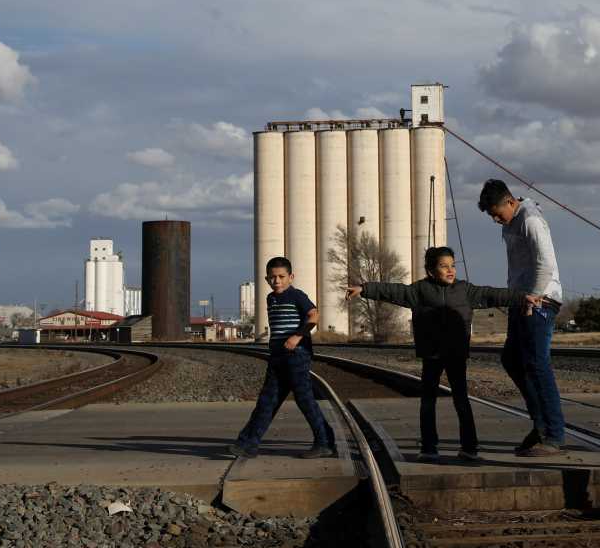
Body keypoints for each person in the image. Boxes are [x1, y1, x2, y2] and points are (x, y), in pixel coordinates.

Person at [348, 246, 536, 461]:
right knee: (428, 402)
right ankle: (429, 449)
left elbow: (493, 294)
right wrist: (364, 288)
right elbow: (393, 291)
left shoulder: (465, 290)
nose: (450, 270)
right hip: (431, 355)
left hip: (456, 354)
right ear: (430, 271)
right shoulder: (419, 291)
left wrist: (522, 298)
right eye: (444, 266)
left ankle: (469, 449)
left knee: (461, 401)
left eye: (452, 266)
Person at [478, 178, 566, 457]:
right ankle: (540, 425)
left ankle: (553, 434)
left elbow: (546, 262)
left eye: (496, 213)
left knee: (537, 365)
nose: (495, 219)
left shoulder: (531, 219)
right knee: (512, 360)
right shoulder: (512, 222)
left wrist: (535, 296)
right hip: (522, 300)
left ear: (509, 201)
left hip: (539, 300)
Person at [229, 256, 338, 460]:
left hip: (297, 355)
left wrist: (297, 336)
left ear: (291, 277)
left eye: (281, 276)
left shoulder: (297, 295)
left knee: (305, 399)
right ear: (266, 279)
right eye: (272, 277)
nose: (276, 281)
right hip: (278, 356)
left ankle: (325, 442)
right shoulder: (271, 298)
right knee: (267, 401)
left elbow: (314, 315)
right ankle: (248, 444)